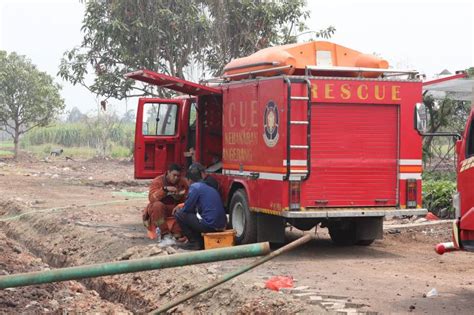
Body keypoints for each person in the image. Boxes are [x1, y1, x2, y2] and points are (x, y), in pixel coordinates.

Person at [173, 167, 227, 250]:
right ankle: (199, 240)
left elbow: (187, 209)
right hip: (222, 225)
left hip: (210, 225)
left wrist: (180, 207)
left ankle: (194, 242)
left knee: (179, 214)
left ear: (189, 180)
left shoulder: (195, 187)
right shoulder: (208, 187)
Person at [142, 164, 188, 240]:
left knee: (184, 208)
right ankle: (164, 232)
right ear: (168, 172)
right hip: (160, 210)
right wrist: (164, 190)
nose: (176, 178)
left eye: (178, 176)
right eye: (174, 175)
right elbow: (152, 199)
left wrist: (179, 197)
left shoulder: (183, 182)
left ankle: (177, 233)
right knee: (157, 206)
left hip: (174, 208)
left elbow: (188, 199)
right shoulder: (158, 181)